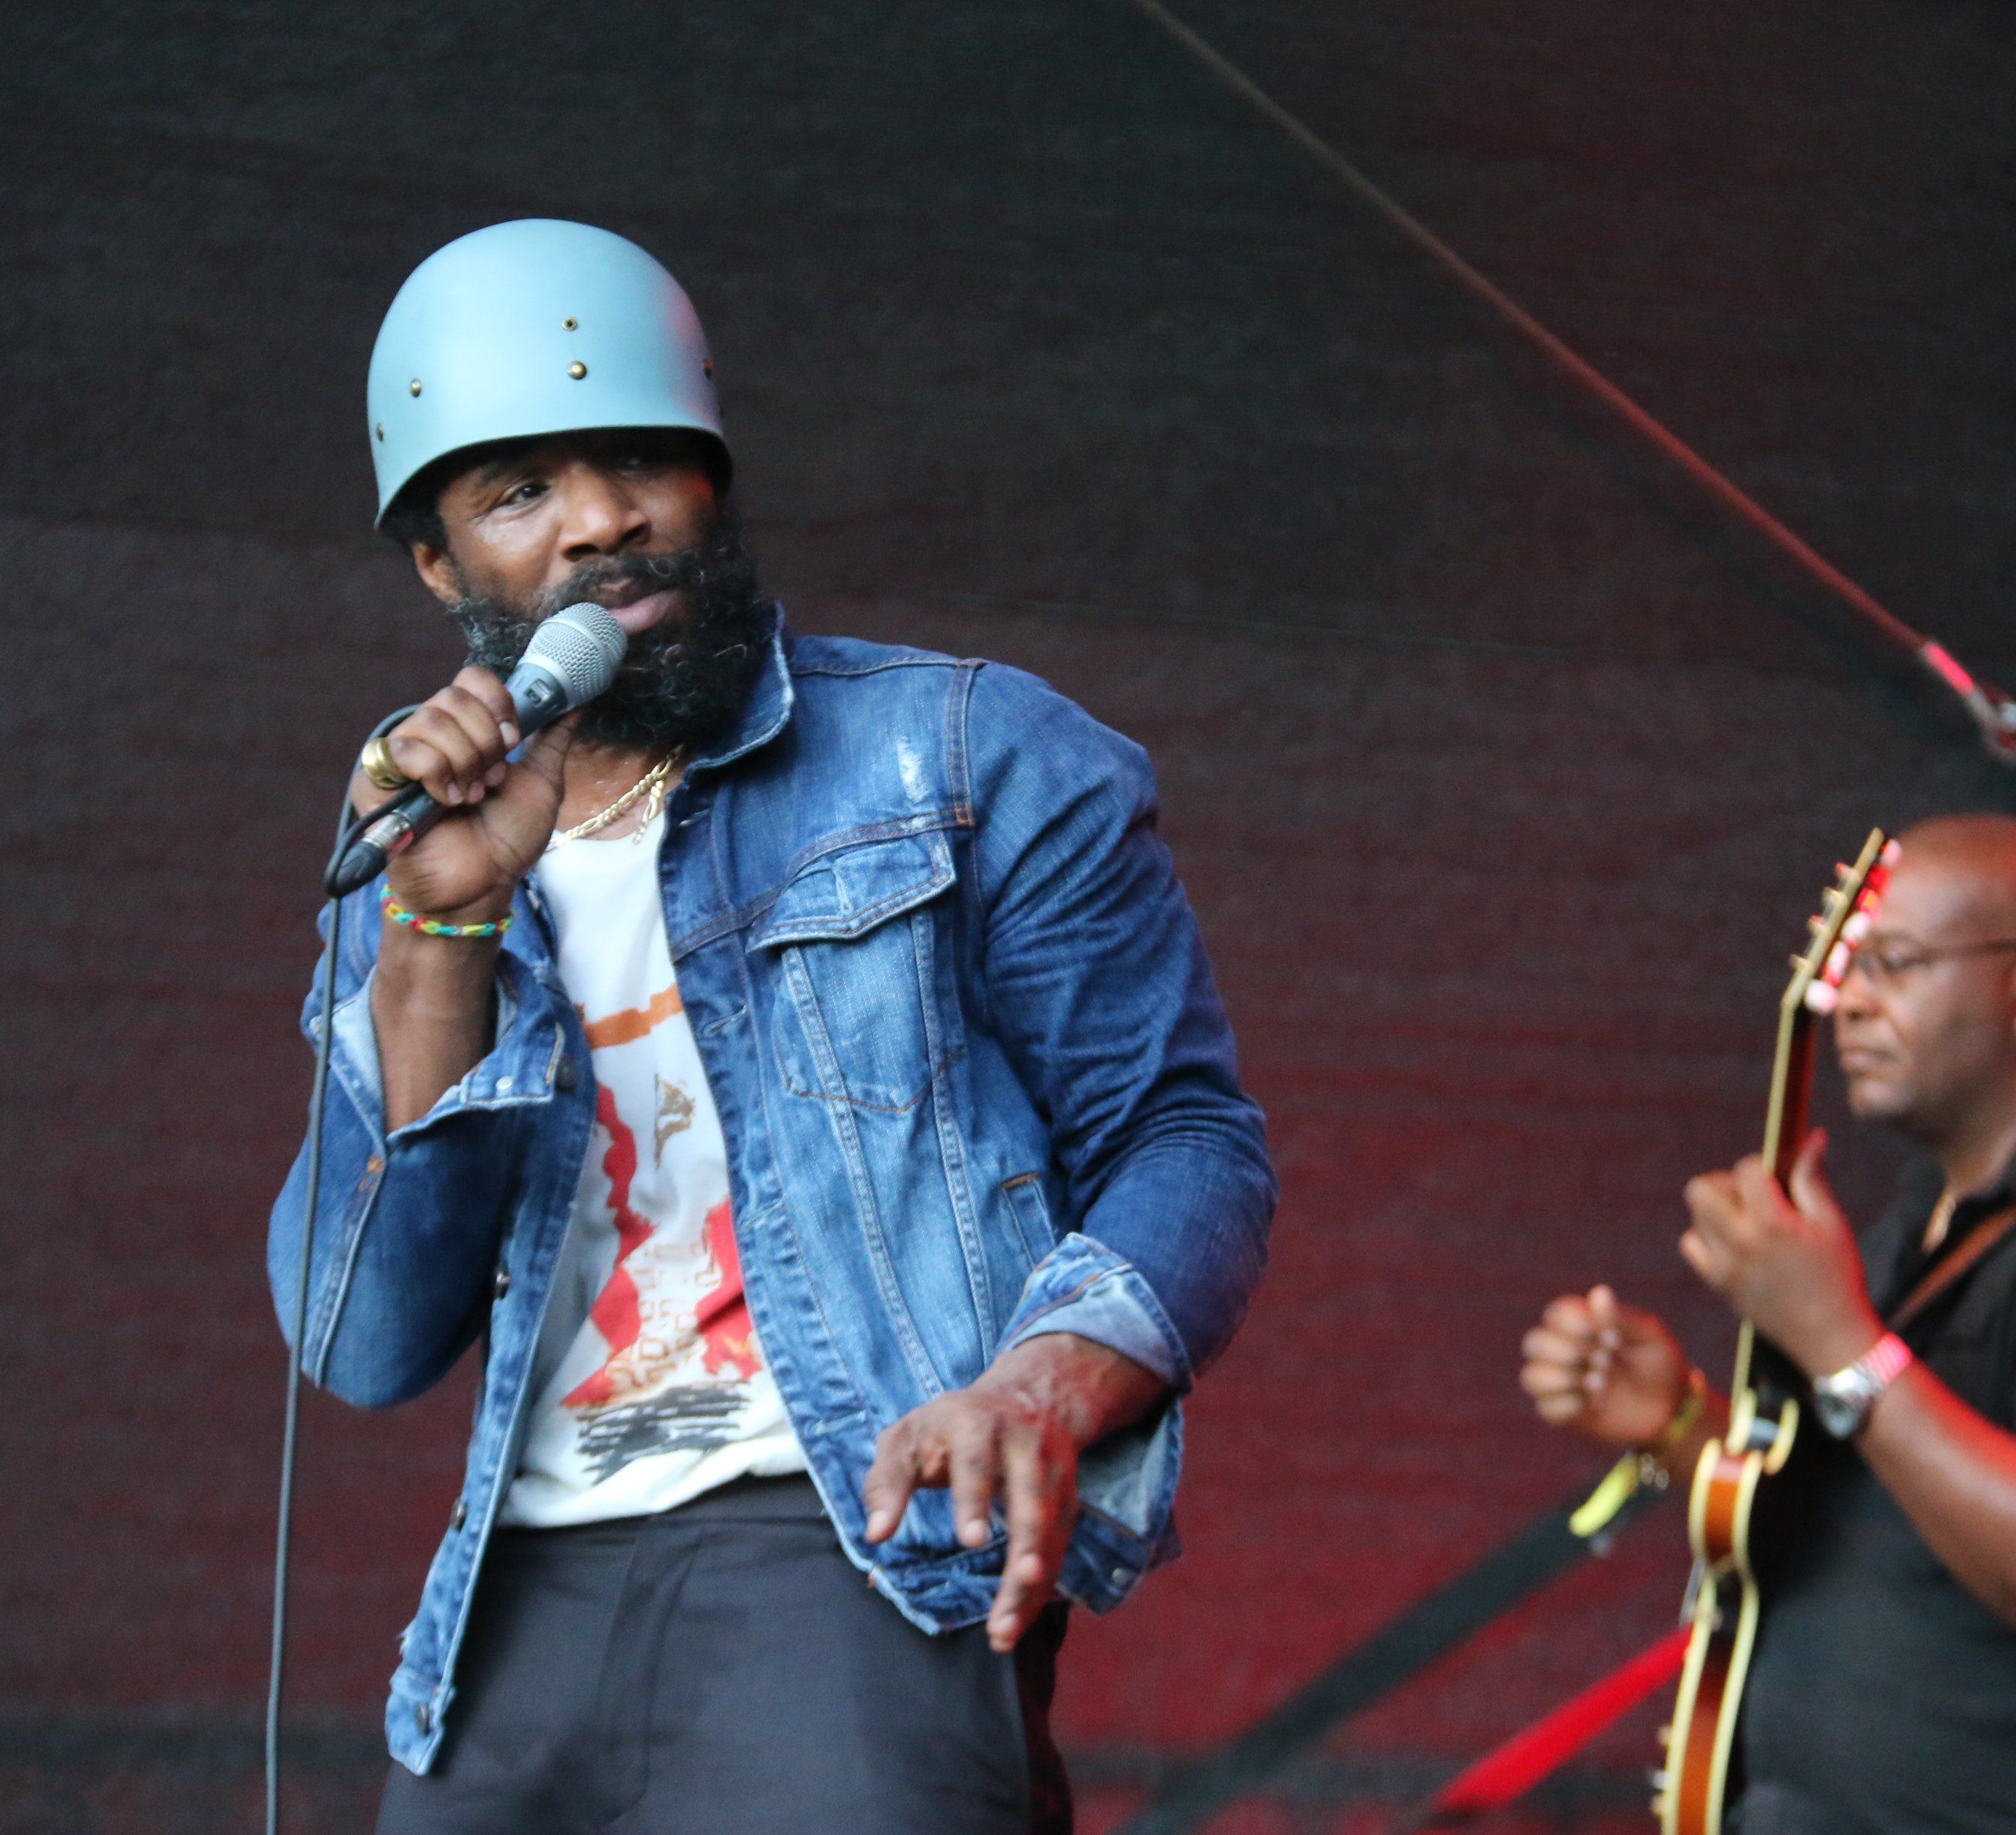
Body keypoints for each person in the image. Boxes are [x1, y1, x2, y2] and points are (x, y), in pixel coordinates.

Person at [267, 220, 1276, 1835]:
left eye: (638, 459)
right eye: (520, 492)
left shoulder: (964, 754)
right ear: (440, 570)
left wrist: (1043, 1382)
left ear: (712, 474)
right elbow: (366, 1335)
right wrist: (439, 926)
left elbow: (1188, 1141)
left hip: (846, 1541)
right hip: (510, 1609)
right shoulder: (417, 856)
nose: (602, 521)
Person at [1520, 814, 2016, 1833]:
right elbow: (1871, 1522)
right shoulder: (1930, 1225)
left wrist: (1840, 1343)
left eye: (1893, 965)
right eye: (1848, 971)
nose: (1849, 1003)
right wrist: (1679, 1423)